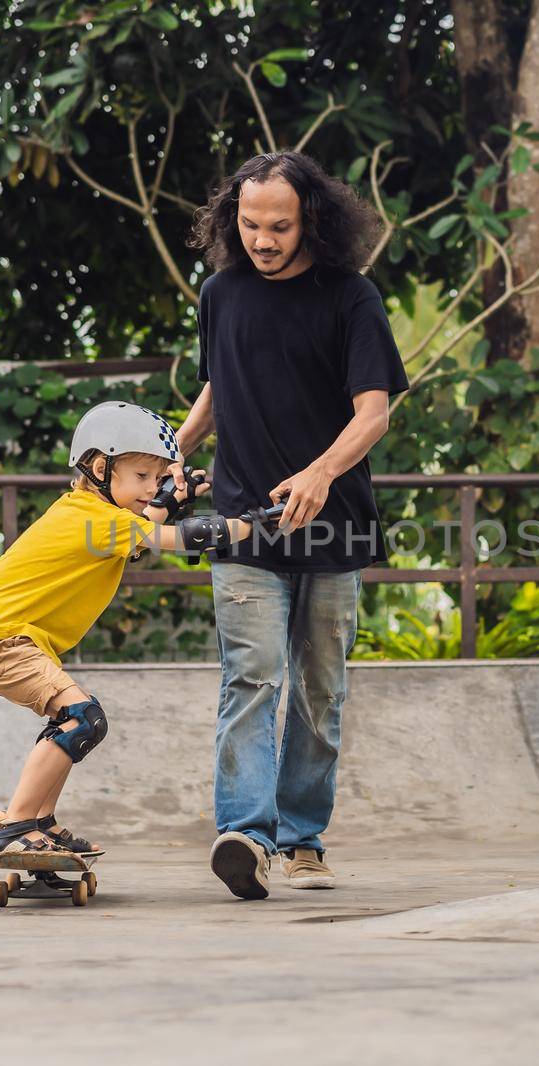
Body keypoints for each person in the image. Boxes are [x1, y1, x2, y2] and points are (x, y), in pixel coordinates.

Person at [174, 151, 408, 900]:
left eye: (279, 225)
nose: (263, 239)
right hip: (244, 526)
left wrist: (320, 471)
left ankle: (303, 837)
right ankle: (245, 832)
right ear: (230, 218)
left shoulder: (351, 298)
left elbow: (374, 410)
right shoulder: (219, 292)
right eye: (249, 224)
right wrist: (169, 455)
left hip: (333, 527)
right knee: (250, 677)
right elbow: (218, 385)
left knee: (318, 691)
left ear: (312, 219)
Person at [0, 400, 268, 859]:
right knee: (81, 718)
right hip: (0, 642)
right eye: (142, 477)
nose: (151, 487)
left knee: (79, 718)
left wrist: (169, 499)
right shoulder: (92, 518)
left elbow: (140, 529)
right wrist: (256, 522)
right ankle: (15, 824)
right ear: (101, 468)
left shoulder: (93, 514)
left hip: (2, 638)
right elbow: (176, 539)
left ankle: (38, 820)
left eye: (157, 478)